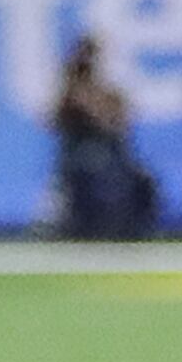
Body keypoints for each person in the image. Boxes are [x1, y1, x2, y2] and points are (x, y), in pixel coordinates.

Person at [51, 35, 154, 240]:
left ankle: (131, 231)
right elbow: (54, 119)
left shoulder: (108, 89)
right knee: (95, 173)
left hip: (112, 152)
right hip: (80, 151)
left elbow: (118, 120)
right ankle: (87, 231)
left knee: (142, 181)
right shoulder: (68, 89)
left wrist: (101, 107)